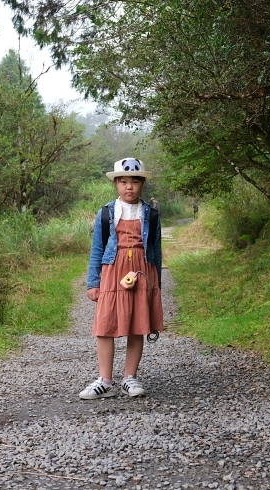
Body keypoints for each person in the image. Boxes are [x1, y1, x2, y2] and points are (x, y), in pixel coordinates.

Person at [80, 157, 164, 399]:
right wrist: (93, 282)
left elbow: (156, 249)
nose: (129, 187)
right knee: (105, 325)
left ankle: (130, 377)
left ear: (142, 184)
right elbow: (97, 248)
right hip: (112, 270)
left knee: (138, 324)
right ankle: (105, 381)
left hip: (142, 271)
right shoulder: (106, 213)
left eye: (135, 182)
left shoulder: (151, 214)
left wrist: (156, 283)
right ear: (116, 184)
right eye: (124, 182)